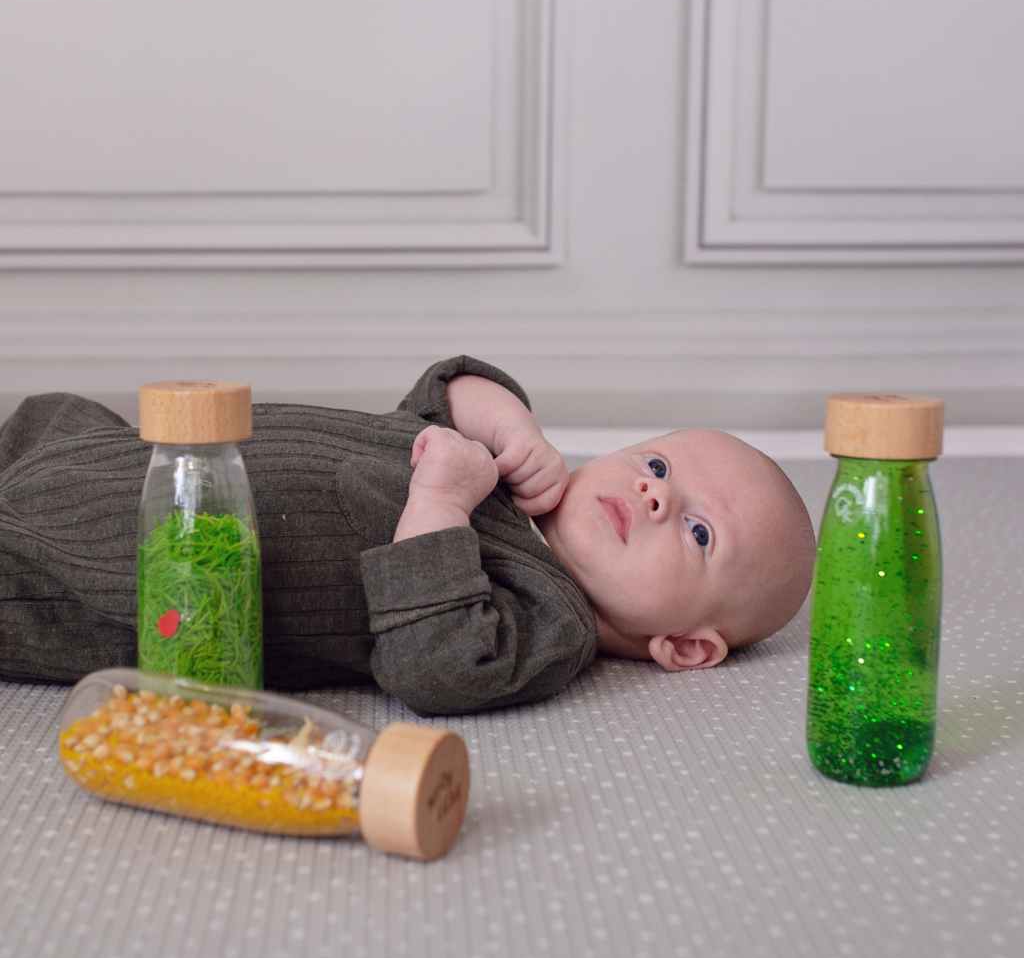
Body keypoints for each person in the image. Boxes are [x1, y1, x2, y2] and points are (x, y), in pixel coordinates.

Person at [0, 356, 815, 715]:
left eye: (702, 532)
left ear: (686, 646)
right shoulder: (502, 468)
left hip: (101, 576)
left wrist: (442, 498)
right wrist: (512, 426)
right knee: (49, 419)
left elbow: (439, 664)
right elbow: (454, 382)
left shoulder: (553, 619)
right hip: (110, 452)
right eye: (660, 466)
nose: (653, 497)